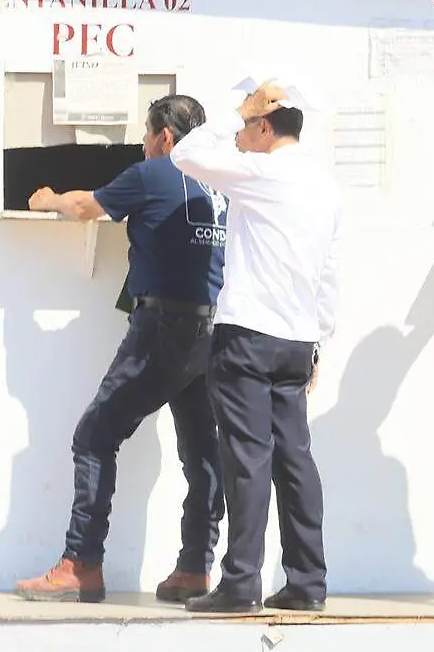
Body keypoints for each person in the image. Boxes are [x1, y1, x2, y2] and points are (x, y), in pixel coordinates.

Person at [13, 94, 227, 604]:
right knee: (202, 453)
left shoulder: (155, 173)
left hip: (162, 327)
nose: (143, 146)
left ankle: (80, 564)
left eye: (146, 136)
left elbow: (85, 206)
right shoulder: (219, 184)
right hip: (210, 329)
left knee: (94, 436)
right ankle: (195, 568)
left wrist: (48, 198)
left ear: (165, 137)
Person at [169, 80, 344, 614]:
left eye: (248, 128)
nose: (239, 137)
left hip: (247, 334)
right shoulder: (325, 186)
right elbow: (329, 273)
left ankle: (241, 583)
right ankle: (307, 582)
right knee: (295, 459)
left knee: (246, 458)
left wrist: (235, 111)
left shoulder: (261, 172)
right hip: (296, 339)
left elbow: (184, 154)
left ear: (265, 126)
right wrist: (319, 339)